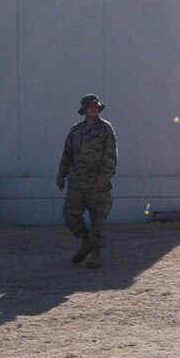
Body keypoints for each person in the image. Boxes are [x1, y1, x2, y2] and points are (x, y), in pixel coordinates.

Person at [58, 93, 117, 268]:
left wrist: (104, 177)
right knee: (70, 214)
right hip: (77, 181)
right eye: (90, 106)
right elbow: (67, 154)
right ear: (83, 110)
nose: (94, 108)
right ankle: (86, 242)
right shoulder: (75, 130)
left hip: (98, 184)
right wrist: (61, 174)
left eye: (96, 106)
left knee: (98, 219)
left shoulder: (106, 129)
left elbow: (111, 155)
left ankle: (96, 254)